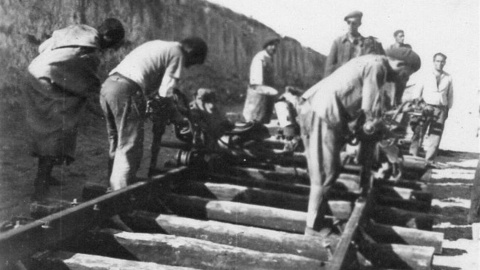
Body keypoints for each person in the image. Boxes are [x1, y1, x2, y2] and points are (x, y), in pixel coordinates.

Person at [299, 47, 421, 236]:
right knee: (324, 174)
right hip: (323, 111)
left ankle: (316, 221)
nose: (405, 78)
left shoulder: (372, 60)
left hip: (318, 108)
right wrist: (391, 150)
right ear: (401, 65)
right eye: (407, 74)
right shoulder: (377, 66)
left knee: (328, 170)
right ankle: (312, 228)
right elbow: (370, 114)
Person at [25, 19, 125, 200]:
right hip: (46, 81)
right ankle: (41, 186)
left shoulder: (78, 31)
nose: (109, 49)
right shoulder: (89, 52)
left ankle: (46, 174)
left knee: (51, 130)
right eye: (112, 44)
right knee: (56, 131)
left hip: (36, 73)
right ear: (107, 36)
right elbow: (90, 84)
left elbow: (43, 47)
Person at [100, 37, 208, 191]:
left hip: (108, 86)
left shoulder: (160, 46)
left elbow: (151, 84)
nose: (188, 66)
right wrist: (178, 117)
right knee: (130, 147)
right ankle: (120, 197)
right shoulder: (177, 53)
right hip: (126, 90)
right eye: (192, 62)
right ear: (192, 53)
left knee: (117, 142)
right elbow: (165, 93)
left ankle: (110, 189)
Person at [409, 53, 453, 162]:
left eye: (442, 61)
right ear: (434, 62)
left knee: (436, 135)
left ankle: (429, 160)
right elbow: (417, 92)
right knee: (419, 132)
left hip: (440, 108)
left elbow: (450, 95)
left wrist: (447, 108)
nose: (440, 63)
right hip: (426, 107)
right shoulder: (426, 75)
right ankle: (413, 156)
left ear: (445, 63)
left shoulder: (448, 77)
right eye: (438, 61)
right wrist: (419, 106)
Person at [242, 38, 280, 124]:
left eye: (275, 45)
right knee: (254, 117)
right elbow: (258, 79)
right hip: (259, 92)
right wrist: (263, 91)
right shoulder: (260, 58)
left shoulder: (269, 58)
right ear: (266, 46)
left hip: (266, 92)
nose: (274, 47)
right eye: (271, 45)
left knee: (262, 118)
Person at [324, 10, 365, 77]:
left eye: (354, 23)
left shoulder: (364, 44)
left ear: (359, 24)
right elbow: (329, 68)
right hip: (340, 83)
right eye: (349, 22)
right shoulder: (338, 42)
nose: (350, 26)